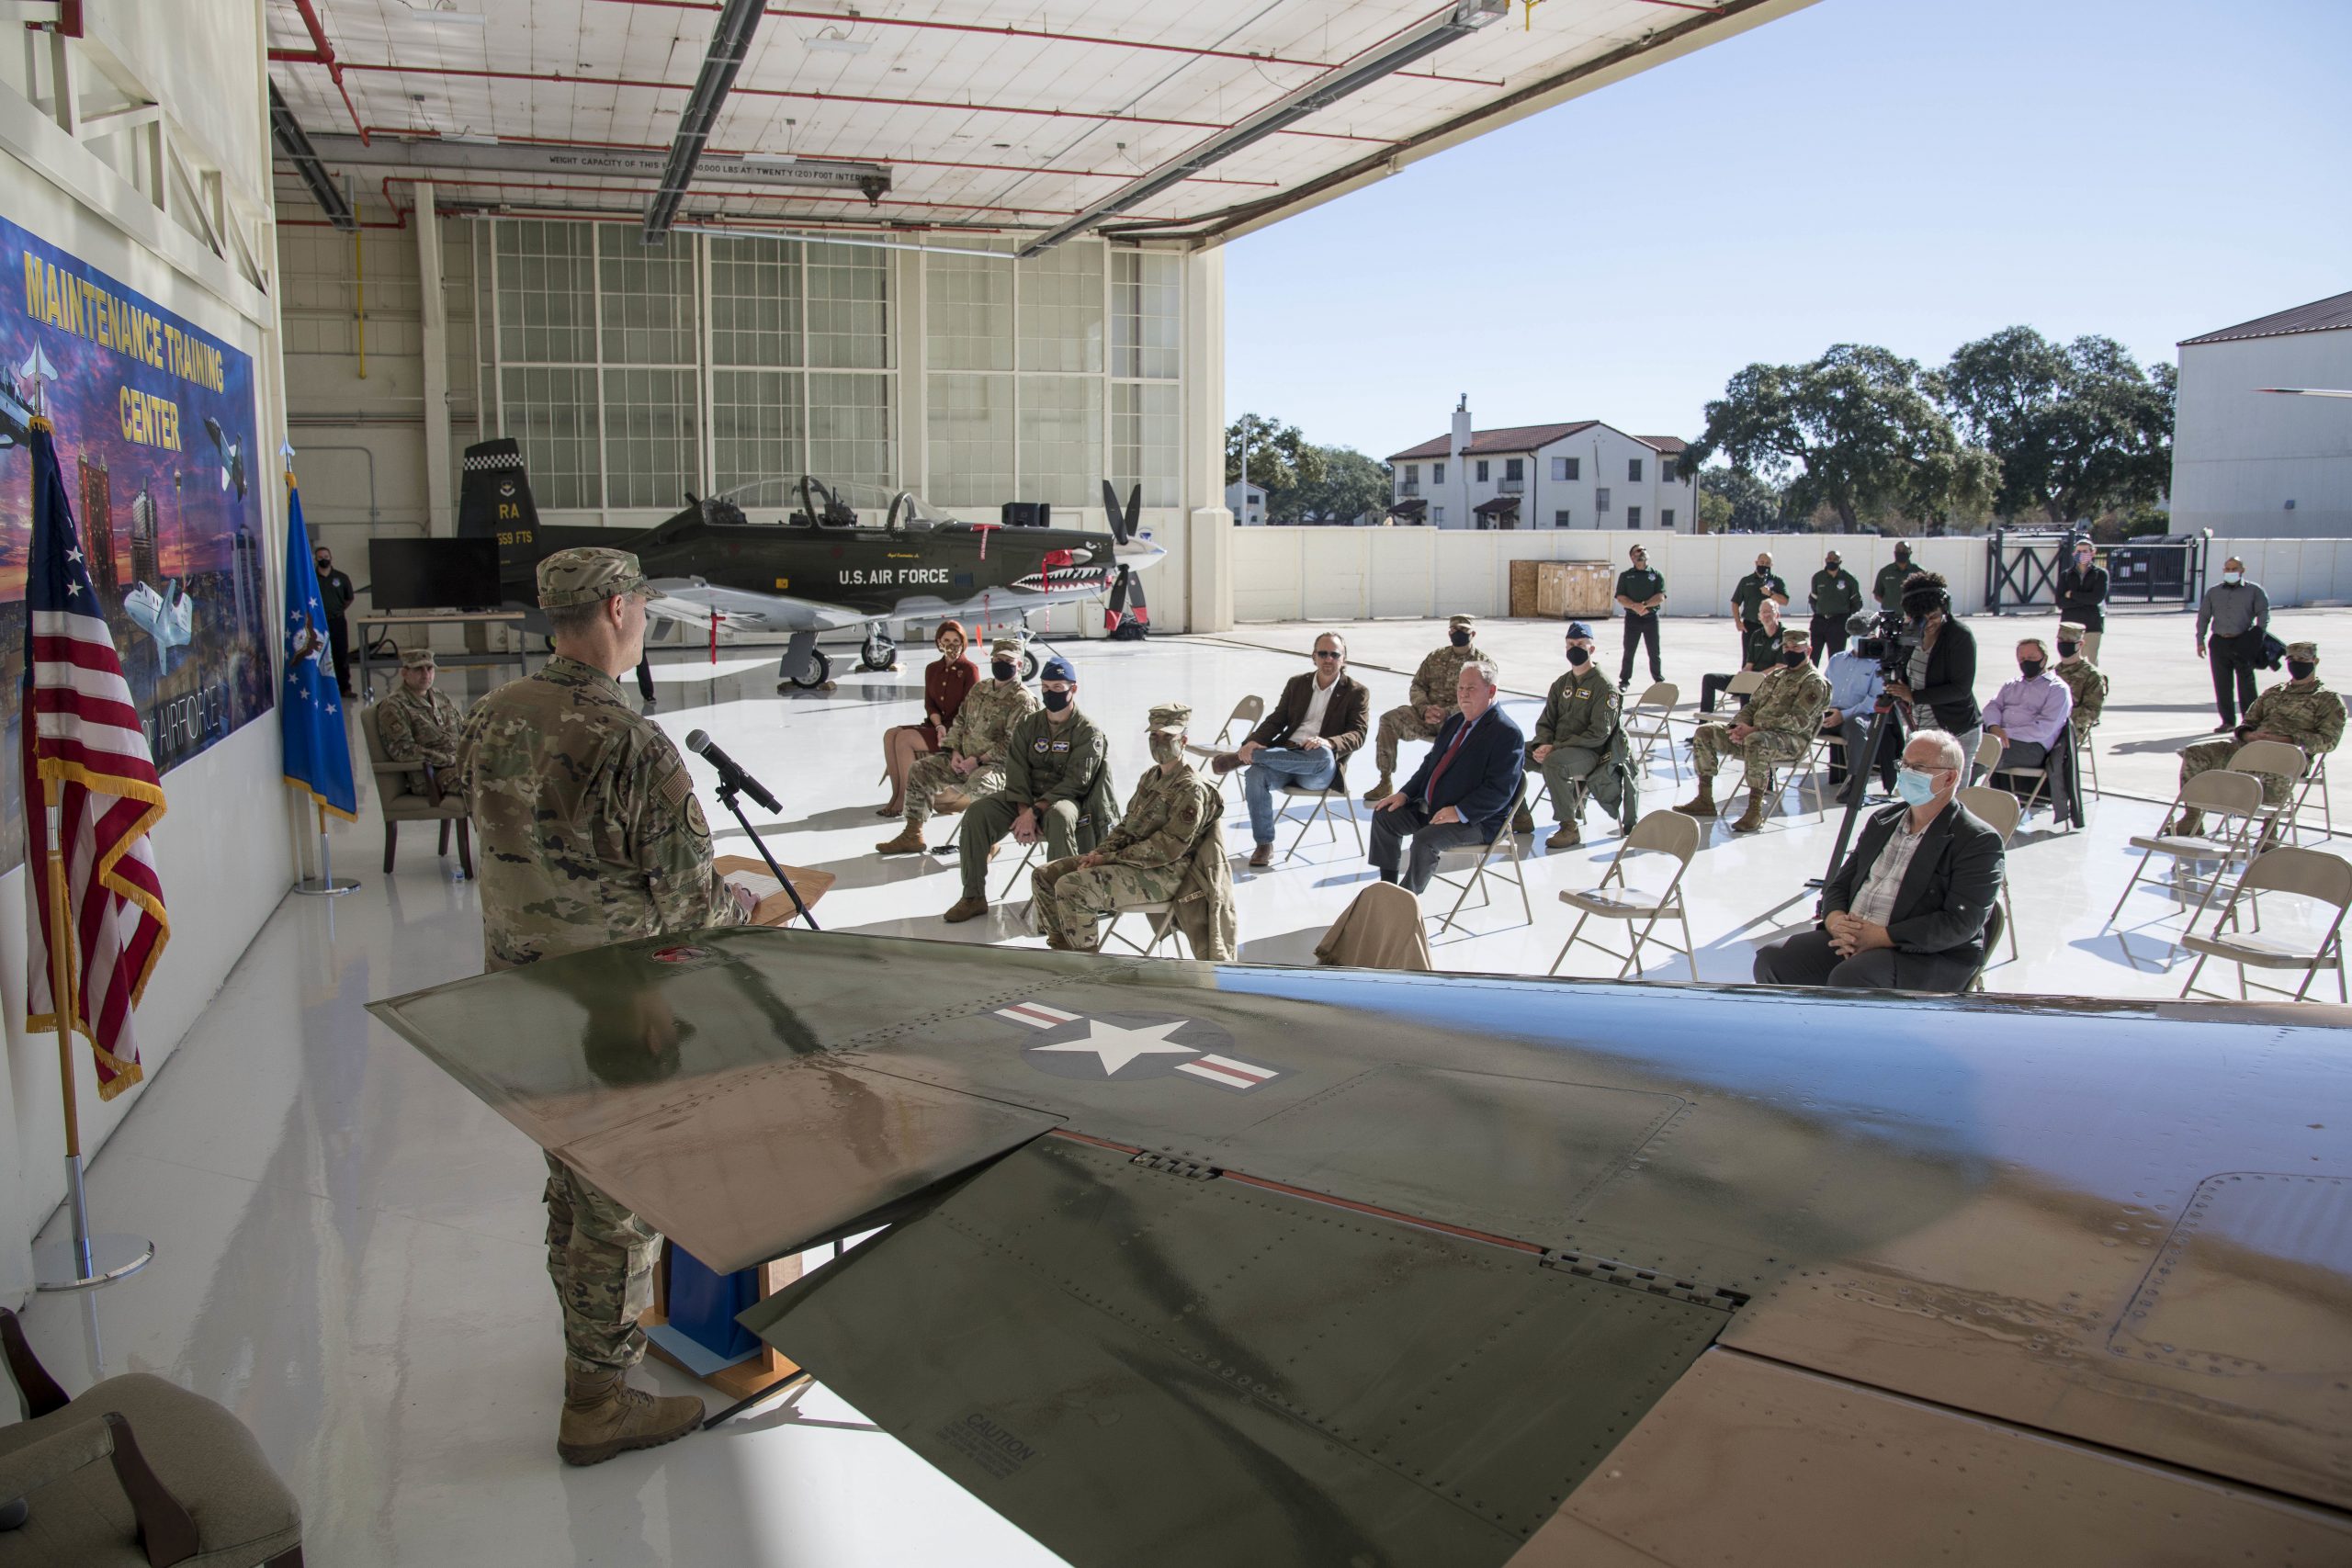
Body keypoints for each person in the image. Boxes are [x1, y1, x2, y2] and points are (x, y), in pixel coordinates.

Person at [455, 547, 754, 1467]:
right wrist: (740, 905)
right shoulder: (627, 739)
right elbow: (689, 903)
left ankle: (588, 1356)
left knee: (569, 1186)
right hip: (617, 1016)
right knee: (621, 1206)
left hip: (522, 1000)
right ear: (619, 609)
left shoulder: (494, 714)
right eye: (645, 607)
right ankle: (598, 1402)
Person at [1751, 728, 2003, 992]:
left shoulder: (1978, 840)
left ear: (1949, 777)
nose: (1906, 772)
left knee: (1853, 977)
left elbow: (1960, 922)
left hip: (1920, 954)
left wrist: (1882, 937)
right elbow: (1840, 885)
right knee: (1773, 960)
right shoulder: (1883, 820)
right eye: (1903, 764)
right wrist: (1837, 923)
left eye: (1917, 767)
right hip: (1854, 938)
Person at [1031, 703, 1234, 958]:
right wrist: (1097, 854)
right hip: (1133, 862)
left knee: (1075, 887)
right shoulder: (1150, 777)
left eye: (1167, 736)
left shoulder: (1192, 788)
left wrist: (1109, 859)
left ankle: (1085, 967)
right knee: (1044, 875)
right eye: (1154, 736)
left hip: (1168, 873)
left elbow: (1166, 848)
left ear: (1183, 741)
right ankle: (1064, 950)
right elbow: (1127, 826)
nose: (1159, 742)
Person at [945, 656, 1115, 923]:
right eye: (1046, 688)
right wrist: (1025, 811)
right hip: (1026, 798)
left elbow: (1076, 782)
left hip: (1067, 800)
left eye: (1058, 688)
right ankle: (973, 896)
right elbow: (1016, 770)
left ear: (1073, 689)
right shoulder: (1030, 725)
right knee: (977, 812)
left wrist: (1035, 811)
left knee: (1059, 817)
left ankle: (1062, 903)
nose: (1051, 694)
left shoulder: (1087, 732)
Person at [1214, 631, 1369, 869]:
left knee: (1322, 755)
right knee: (1255, 774)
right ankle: (1264, 844)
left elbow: (1358, 735)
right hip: (1285, 758)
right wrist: (1252, 742)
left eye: (1335, 654)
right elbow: (1278, 719)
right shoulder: (1298, 684)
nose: (1329, 659)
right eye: (1323, 653)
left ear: (1344, 659)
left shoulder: (1356, 692)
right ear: (1313, 656)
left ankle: (1244, 758)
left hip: (1317, 769)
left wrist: (1329, 742)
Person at [1367, 660, 1523, 893]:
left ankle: (1405, 902)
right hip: (1433, 810)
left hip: (1475, 820)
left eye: (1471, 688)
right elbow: (1430, 764)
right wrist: (1405, 794)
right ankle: (1387, 889)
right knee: (1384, 816)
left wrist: (1460, 812)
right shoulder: (1455, 722)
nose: (1463, 694)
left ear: (1491, 691)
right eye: (1460, 688)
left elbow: (1499, 790)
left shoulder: (1506, 733)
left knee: (1425, 840)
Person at [2165, 640, 2345, 837]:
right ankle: (2192, 818)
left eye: (2302, 659)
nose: (2296, 663)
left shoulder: (2327, 699)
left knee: (2275, 764)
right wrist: (2249, 735)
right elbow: (2248, 721)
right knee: (2196, 753)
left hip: (2290, 754)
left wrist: (2287, 739)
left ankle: (2269, 831)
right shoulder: (2274, 692)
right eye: (2291, 659)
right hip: (2252, 747)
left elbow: (2329, 740)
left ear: (2315, 661)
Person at [876, 637, 1037, 854]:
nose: (1001, 663)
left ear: (1019, 664)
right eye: (998, 658)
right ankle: (913, 834)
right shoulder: (980, 689)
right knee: (920, 769)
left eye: (1008, 660)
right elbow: (960, 722)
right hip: (964, 760)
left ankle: (989, 842)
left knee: (981, 784)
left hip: (999, 767)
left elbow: (1013, 744)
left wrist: (978, 760)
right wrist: (955, 752)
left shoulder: (1023, 700)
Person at [1679, 626, 1832, 833]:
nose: (1790, 651)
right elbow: (1752, 705)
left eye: (1796, 648)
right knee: (1706, 732)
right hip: (1755, 732)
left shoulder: (1814, 683)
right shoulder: (1777, 675)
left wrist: (1753, 729)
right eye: (1786, 647)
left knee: (1756, 741)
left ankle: (1754, 811)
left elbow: (1797, 721)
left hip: (1791, 741)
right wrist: (1737, 727)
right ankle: (1705, 798)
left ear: (1809, 650)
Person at [1363, 615, 1496, 801]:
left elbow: (1483, 699)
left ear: (1473, 633)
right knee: (1389, 719)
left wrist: (1447, 712)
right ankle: (1385, 780)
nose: (1458, 634)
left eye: (1463, 630)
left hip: (1461, 720)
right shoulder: (1436, 657)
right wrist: (1425, 708)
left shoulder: (1482, 665)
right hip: (1426, 716)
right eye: (1454, 630)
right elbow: (1417, 685)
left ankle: (1450, 789)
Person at [1527, 621, 1629, 849]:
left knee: (1554, 763)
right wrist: (1542, 743)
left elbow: (1598, 734)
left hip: (1588, 753)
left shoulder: (1605, 687)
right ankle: (1520, 815)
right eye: (1571, 644)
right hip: (1557, 748)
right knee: (1512, 753)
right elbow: (1546, 720)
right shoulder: (1561, 683)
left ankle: (1568, 827)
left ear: (1591, 649)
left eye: (1580, 644)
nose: (1575, 648)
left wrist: (1556, 747)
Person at [1880, 570, 1982, 774]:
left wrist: (1914, 696)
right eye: (1921, 618)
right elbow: (1902, 670)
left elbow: (1961, 689)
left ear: (1945, 608)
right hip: (1921, 729)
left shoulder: (1958, 636)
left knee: (1945, 799)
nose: (1929, 623)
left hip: (1956, 731)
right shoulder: (1911, 634)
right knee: (1918, 795)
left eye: (1934, 615)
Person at [876, 620, 978, 818]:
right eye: (946, 640)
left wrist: (948, 732)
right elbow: (930, 704)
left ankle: (907, 799)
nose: (951, 645)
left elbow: (970, 710)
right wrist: (938, 725)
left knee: (905, 739)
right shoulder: (932, 668)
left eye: (956, 640)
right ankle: (896, 794)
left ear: (963, 642)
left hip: (956, 732)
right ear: (939, 642)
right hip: (936, 725)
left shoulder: (969, 669)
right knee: (891, 734)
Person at [379, 647, 467, 804]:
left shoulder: (440, 697)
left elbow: (465, 731)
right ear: (404, 673)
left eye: (430, 668)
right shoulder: (394, 706)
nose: (426, 674)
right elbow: (403, 750)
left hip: (459, 765)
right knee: (487, 786)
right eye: (418, 669)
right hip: (431, 775)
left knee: (512, 776)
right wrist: (448, 759)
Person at [2197, 556, 2271, 732]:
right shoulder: (2214, 592)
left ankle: (2250, 721)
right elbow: (2204, 617)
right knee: (2222, 683)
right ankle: (2227, 721)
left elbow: (2263, 613)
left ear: (2242, 571)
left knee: (2246, 683)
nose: (2230, 572)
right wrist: (2200, 640)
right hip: (2219, 641)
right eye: (2227, 569)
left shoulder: (2254, 591)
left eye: (2234, 569)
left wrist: (2258, 635)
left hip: (2242, 642)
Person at [1820, 615, 1892, 797]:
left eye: (1860, 635)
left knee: (1857, 726)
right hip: (1830, 712)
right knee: (1797, 720)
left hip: (1856, 715)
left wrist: (1842, 715)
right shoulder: (1837, 659)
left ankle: (1856, 782)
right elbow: (1824, 689)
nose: (1855, 639)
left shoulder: (1878, 664)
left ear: (1872, 636)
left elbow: (1873, 701)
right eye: (1852, 635)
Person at [1980, 637, 2073, 773]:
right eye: (2022, 659)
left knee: (1980, 758)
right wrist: (1994, 727)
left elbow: (2044, 728)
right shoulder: (2011, 685)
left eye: (2031, 657)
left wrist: (2004, 733)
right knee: (1959, 750)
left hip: (2030, 746)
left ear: (2044, 659)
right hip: (1998, 739)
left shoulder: (2057, 689)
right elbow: (1992, 707)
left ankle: (1960, 793)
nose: (2026, 661)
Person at [1699, 600, 1782, 715]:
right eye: (1763, 612)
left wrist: (1755, 677)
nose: (1766, 615)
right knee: (1709, 679)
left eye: (1769, 612)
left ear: (1777, 614)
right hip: (1750, 679)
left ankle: (1742, 726)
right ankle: (1704, 726)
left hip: (1770, 682)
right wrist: (1743, 674)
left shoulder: (1784, 636)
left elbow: (1780, 667)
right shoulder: (1756, 635)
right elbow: (1749, 665)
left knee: (1747, 685)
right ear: (1759, 617)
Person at [1613, 544, 1667, 691]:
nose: (1642, 552)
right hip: (1632, 618)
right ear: (1632, 557)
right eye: (1638, 551)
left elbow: (1660, 596)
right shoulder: (1626, 576)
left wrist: (1644, 605)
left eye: (1644, 550)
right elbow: (1620, 597)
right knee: (1629, 650)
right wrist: (1634, 606)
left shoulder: (1656, 574)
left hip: (1650, 617)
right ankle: (1624, 681)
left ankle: (1658, 680)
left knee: (1654, 651)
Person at [1729, 551, 1790, 665]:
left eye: (1767, 563)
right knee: (1748, 659)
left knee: (1771, 658)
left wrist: (1771, 594)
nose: (1764, 565)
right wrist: (1738, 622)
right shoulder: (1746, 581)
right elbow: (1735, 602)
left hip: (1770, 627)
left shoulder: (1777, 581)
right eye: (1761, 562)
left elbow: (1785, 601)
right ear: (1756, 563)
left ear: (1771, 565)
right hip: (1750, 626)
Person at [2056, 538, 2109, 663]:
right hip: (2069, 625)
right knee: (2068, 661)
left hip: (2092, 625)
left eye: (2085, 551)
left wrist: (2072, 594)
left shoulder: (2100, 574)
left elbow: (2096, 598)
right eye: (2079, 551)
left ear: (2093, 552)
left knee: (2089, 661)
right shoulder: (2066, 575)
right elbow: (2061, 602)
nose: (2081, 554)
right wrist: (2085, 599)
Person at [314, 543, 356, 697]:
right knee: (318, 655)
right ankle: (321, 689)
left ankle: (344, 688)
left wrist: (337, 610)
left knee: (340, 654)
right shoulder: (311, 578)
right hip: (317, 623)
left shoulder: (341, 578)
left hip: (337, 621)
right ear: (315, 559)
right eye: (320, 558)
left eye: (326, 557)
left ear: (331, 558)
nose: (324, 560)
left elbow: (349, 598)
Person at [2053, 621, 2109, 738]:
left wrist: (2059, 717)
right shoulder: (2051, 672)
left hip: (2071, 729)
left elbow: (2092, 712)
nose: (2064, 644)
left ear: (2081, 644)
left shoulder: (2092, 675)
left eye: (2069, 642)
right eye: (2061, 640)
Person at [1807, 548, 1863, 660]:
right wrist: (1820, 612)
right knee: (1813, 656)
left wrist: (1847, 621)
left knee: (1836, 658)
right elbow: (1813, 599)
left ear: (1840, 562)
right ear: (1825, 560)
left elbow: (1857, 603)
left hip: (1838, 622)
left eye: (1835, 559)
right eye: (1829, 559)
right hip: (1820, 621)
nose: (1832, 561)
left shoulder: (1849, 579)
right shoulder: (1818, 577)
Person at [1872, 540, 1917, 615]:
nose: (1901, 552)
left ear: (1910, 552)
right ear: (1894, 552)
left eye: (1904, 550)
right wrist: (1889, 604)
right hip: (1890, 617)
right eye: (1898, 550)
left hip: (1912, 616)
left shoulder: (1919, 572)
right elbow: (1877, 594)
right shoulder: (1885, 572)